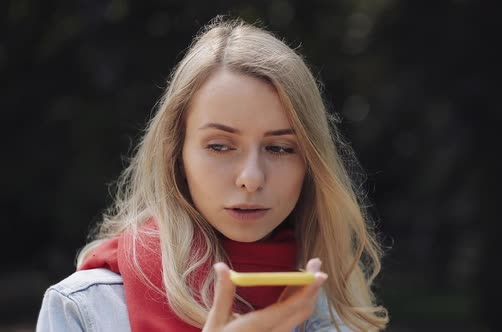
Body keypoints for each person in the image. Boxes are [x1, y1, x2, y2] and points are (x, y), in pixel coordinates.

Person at [37, 17, 389, 331]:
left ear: (311, 164)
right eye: (220, 146)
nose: (251, 178)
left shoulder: (340, 316)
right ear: (177, 156)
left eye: (280, 148)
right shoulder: (84, 310)